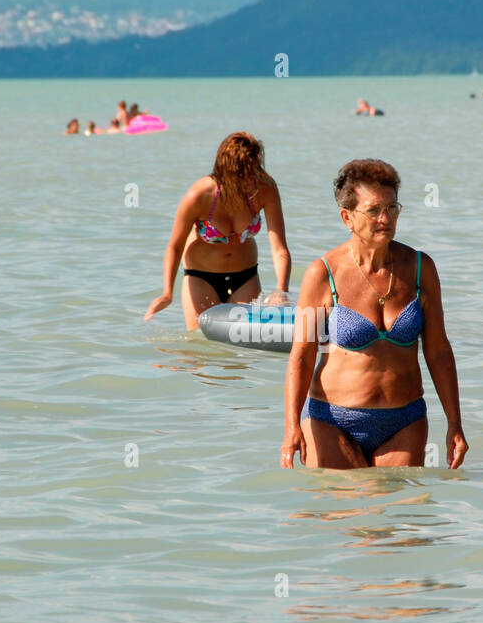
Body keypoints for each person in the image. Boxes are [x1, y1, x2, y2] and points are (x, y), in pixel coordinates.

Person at [282, 158, 466, 470]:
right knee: (343, 516)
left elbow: (438, 350)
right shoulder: (323, 273)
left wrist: (455, 423)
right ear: (347, 217)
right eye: (374, 210)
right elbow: (302, 354)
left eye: (392, 208)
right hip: (333, 419)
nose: (385, 218)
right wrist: (291, 427)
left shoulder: (421, 269)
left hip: (404, 421)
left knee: (396, 513)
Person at [145, 131, 291, 330]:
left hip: (245, 277)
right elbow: (175, 246)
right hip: (201, 277)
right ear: (229, 170)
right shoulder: (199, 196)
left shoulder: (264, 189)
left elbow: (279, 248)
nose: (252, 178)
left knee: (240, 354)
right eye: (247, 173)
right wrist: (167, 293)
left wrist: (281, 290)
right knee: (199, 348)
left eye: (255, 169)